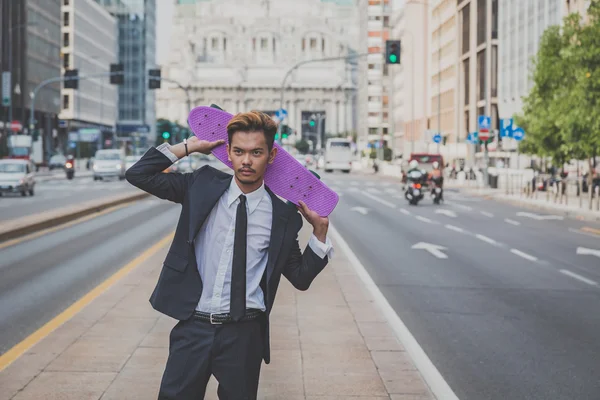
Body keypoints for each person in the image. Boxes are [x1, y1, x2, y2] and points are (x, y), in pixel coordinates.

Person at [126, 111, 334, 400]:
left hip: (244, 335)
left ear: (271, 155)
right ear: (229, 152)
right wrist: (190, 146)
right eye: (239, 151)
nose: (246, 161)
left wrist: (320, 234)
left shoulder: (283, 216)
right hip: (193, 328)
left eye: (256, 152)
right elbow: (138, 174)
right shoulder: (201, 185)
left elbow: (300, 277)